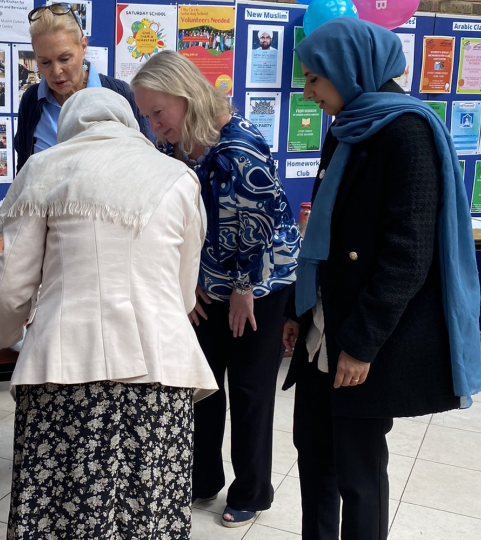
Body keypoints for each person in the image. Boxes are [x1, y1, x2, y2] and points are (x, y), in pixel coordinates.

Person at [0, 87, 217, 540]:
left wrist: (3, 335)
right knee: (150, 515)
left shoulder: (45, 167)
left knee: (60, 515)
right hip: (162, 376)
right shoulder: (178, 177)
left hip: (67, 370)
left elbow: (11, 289)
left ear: (69, 125)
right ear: (128, 123)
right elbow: (181, 295)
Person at [282, 18, 481, 540]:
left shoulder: (406, 134)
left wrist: (361, 345)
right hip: (320, 331)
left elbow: (407, 256)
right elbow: (321, 237)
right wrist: (297, 313)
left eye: (313, 79)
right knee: (315, 458)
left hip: (364, 341)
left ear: (349, 71)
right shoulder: (347, 125)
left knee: (359, 474)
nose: (308, 93)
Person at [132, 50, 300, 528]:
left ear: (185, 97)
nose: (154, 124)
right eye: (147, 115)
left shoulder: (239, 146)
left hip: (260, 283)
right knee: (202, 386)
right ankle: (201, 478)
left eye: (158, 112)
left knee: (249, 388)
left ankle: (251, 490)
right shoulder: (174, 146)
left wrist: (243, 288)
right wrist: (189, 280)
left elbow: (259, 226)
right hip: (208, 284)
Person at [14, 3, 151, 173]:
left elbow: (147, 165)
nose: (56, 71)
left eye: (64, 58)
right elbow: (23, 174)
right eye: (45, 62)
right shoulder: (31, 101)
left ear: (83, 46)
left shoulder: (120, 94)